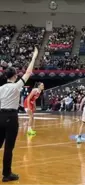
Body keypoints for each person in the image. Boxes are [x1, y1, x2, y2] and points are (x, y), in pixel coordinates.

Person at [0, 47, 38, 182]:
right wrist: (34, 57)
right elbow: (28, 72)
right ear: (15, 76)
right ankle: (6, 174)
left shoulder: (1, 88)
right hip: (11, 117)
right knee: (8, 148)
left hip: (0, 116)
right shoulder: (16, 86)